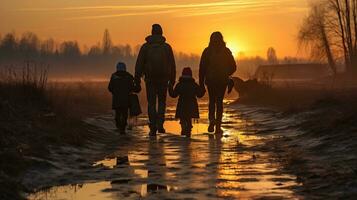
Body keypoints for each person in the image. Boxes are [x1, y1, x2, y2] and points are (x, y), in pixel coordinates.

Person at [135, 24, 176, 136]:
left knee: (151, 103)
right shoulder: (167, 47)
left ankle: (153, 126)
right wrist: (172, 81)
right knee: (162, 102)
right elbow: (172, 65)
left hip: (150, 80)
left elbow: (139, 64)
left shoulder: (145, 47)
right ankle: (160, 124)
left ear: (152, 32)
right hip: (163, 79)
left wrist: (137, 80)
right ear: (161, 33)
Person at [199, 32, 237, 134]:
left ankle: (212, 120)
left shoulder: (207, 51)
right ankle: (218, 127)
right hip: (222, 80)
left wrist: (201, 83)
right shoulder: (226, 51)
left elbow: (202, 68)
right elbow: (234, 66)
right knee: (219, 102)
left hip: (210, 80)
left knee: (212, 100)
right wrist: (226, 73)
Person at [169, 67, 204, 137]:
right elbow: (199, 94)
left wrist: (169, 88)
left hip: (182, 105)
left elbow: (173, 95)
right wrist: (203, 89)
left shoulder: (179, 84)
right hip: (192, 105)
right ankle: (188, 129)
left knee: (183, 118)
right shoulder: (193, 84)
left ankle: (184, 128)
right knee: (189, 119)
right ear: (191, 75)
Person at [108, 62, 136, 134]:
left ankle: (119, 126)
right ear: (125, 68)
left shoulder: (113, 76)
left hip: (116, 100)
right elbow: (132, 88)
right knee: (124, 114)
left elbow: (110, 88)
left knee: (118, 114)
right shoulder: (129, 76)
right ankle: (122, 128)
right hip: (126, 100)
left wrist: (114, 92)